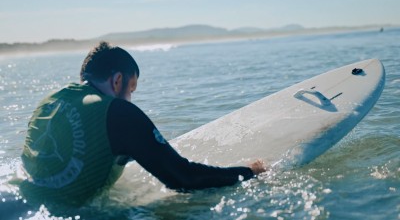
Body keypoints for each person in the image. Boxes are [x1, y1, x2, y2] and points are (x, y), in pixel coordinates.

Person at [19, 41, 266, 206]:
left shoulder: (50, 101)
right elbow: (183, 178)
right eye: (132, 88)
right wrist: (248, 171)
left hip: (24, 201)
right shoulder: (117, 112)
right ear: (118, 80)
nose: (131, 97)